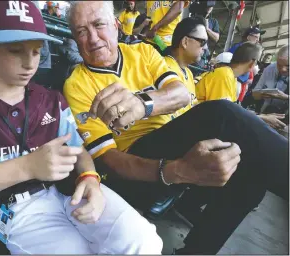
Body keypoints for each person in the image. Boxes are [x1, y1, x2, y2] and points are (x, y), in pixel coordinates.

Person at [0, 1, 163, 254]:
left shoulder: (51, 99)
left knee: (143, 240)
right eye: (15, 50)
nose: (30, 63)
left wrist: (90, 179)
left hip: (67, 191)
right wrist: (28, 166)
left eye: (37, 50)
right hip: (14, 209)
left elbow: (77, 148)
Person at [63, 3, 288, 254]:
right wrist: (173, 171)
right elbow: (109, 160)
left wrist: (143, 104)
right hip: (133, 170)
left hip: (174, 145)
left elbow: (180, 93)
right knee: (221, 114)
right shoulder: (77, 84)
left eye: (98, 25)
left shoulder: (142, 53)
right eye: (81, 31)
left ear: (116, 26)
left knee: (251, 165)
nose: (93, 38)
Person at [196, 43, 286, 131]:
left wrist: (262, 116)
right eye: (257, 62)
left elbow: (233, 110)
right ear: (252, 63)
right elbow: (223, 115)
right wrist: (260, 118)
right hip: (198, 125)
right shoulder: (224, 75)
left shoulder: (230, 76)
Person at [252, 45, 289, 115]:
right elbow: (255, 94)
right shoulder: (270, 69)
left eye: (288, 66)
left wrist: (285, 97)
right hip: (266, 112)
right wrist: (261, 94)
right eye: (279, 65)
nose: (283, 69)